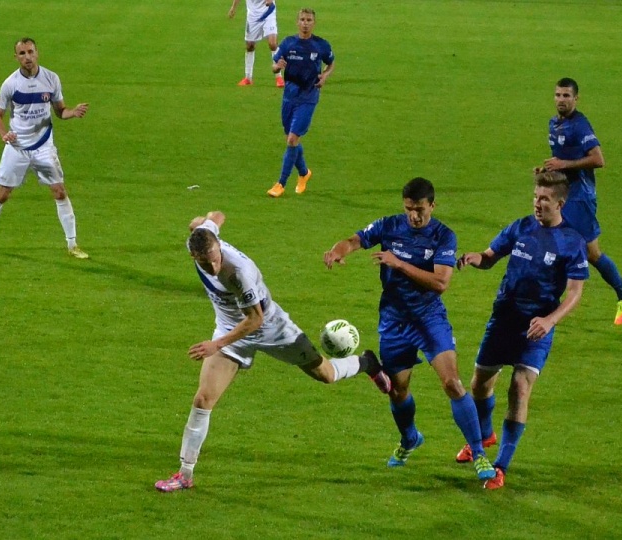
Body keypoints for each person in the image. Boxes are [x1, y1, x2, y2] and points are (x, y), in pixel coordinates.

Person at [155, 211, 391, 492]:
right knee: (203, 399)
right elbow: (214, 217)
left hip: (272, 328)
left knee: (325, 374)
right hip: (231, 331)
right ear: (195, 255)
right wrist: (203, 220)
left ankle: (366, 362)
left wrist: (215, 345)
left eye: (217, 258)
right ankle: (185, 475)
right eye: (207, 262)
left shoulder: (238, 273)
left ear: (219, 248)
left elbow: (255, 320)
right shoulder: (201, 240)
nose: (215, 266)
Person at [323, 178, 497, 483]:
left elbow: (441, 283)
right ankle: (409, 439)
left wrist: (398, 263)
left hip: (429, 318)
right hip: (393, 321)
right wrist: (339, 250)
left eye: (419, 209)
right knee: (397, 390)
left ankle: (479, 452)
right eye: (409, 209)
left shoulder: (443, 236)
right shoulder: (390, 226)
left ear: (432, 205)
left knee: (453, 383)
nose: (414, 216)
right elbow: (355, 239)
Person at [454, 171, 588, 490]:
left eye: (544, 199)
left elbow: (574, 293)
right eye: (535, 196)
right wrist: (476, 258)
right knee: (480, 384)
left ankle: (500, 465)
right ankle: (484, 436)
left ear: (560, 203)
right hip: (504, 319)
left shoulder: (572, 242)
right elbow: (491, 257)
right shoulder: (520, 227)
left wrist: (549, 321)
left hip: (536, 327)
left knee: (519, 387)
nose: (537, 203)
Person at [0, 38, 89, 259]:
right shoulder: (11, 84)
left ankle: (73, 245)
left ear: (37, 53)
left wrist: (72, 112)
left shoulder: (51, 79)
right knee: (3, 194)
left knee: (59, 191)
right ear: (16, 57)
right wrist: (3, 134)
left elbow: (60, 111)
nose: (27, 57)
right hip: (17, 147)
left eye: (30, 52)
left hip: (44, 146)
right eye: (22, 53)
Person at [541, 77, 622, 324]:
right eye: (558, 95)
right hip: (564, 195)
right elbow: (562, 162)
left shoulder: (580, 126)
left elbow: (598, 159)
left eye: (566, 96)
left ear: (576, 99)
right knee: (557, 244)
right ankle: (549, 303)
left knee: (590, 253)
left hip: (580, 198)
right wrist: (549, 173)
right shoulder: (554, 124)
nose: (561, 100)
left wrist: (564, 164)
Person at [266, 8, 335, 198]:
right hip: (289, 97)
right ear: (297, 22)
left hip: (308, 97)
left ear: (314, 23)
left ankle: (280, 183)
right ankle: (304, 173)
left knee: (291, 140)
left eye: (309, 20)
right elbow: (274, 66)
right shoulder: (288, 44)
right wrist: (276, 67)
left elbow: (331, 63)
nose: (305, 23)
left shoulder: (320, 45)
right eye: (302, 19)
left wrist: (325, 76)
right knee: (291, 139)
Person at [227, 0, 284, 87]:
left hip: (268, 13)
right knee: (250, 46)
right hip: (253, 16)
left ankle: (279, 78)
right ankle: (248, 78)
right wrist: (233, 7)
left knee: (272, 44)